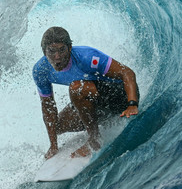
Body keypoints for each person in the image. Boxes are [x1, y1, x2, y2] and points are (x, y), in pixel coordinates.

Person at [32, 27, 139, 159]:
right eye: (52, 51)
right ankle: (100, 123)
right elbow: (48, 107)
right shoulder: (40, 71)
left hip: (120, 97)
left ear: (70, 48)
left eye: (62, 50)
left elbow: (127, 73)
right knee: (57, 126)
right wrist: (53, 145)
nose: (57, 57)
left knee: (76, 88)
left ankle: (94, 139)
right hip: (98, 104)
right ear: (44, 52)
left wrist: (132, 104)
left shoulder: (87, 56)